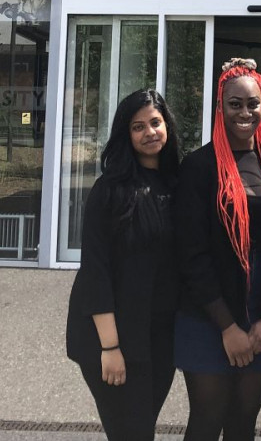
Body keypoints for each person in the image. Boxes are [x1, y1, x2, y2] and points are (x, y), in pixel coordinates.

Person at [173, 58, 261, 441]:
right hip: (208, 314)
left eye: (253, 104)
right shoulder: (198, 166)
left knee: (244, 423)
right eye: (235, 104)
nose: (245, 113)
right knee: (207, 422)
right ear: (220, 107)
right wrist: (227, 327)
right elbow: (191, 254)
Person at [65, 89, 183, 441]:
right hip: (110, 340)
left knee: (141, 429)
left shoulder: (176, 185)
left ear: (167, 127)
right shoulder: (109, 191)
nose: (149, 132)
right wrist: (111, 348)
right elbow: (95, 272)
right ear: (125, 134)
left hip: (158, 340)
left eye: (156, 123)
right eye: (138, 126)